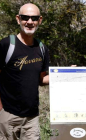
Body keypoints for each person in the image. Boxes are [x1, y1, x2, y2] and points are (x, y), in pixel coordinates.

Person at [0, 3, 49, 140]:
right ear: (18, 19)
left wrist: (66, 74)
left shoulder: (42, 49)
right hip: (8, 114)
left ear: (40, 20)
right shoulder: (6, 45)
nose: (29, 22)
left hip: (32, 117)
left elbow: (42, 79)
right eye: (25, 17)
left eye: (34, 18)